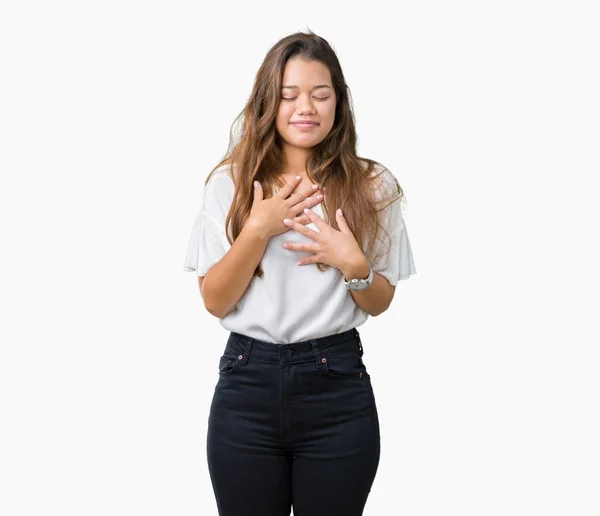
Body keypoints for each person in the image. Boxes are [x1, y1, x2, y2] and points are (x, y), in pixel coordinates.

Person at [183, 30, 417, 516]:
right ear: (269, 101)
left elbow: (380, 300)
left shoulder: (374, 185)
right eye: (289, 95)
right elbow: (215, 301)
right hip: (247, 386)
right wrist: (257, 229)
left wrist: (353, 266)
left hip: (337, 389)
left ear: (339, 103)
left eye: (320, 94)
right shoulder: (229, 183)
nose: (304, 107)